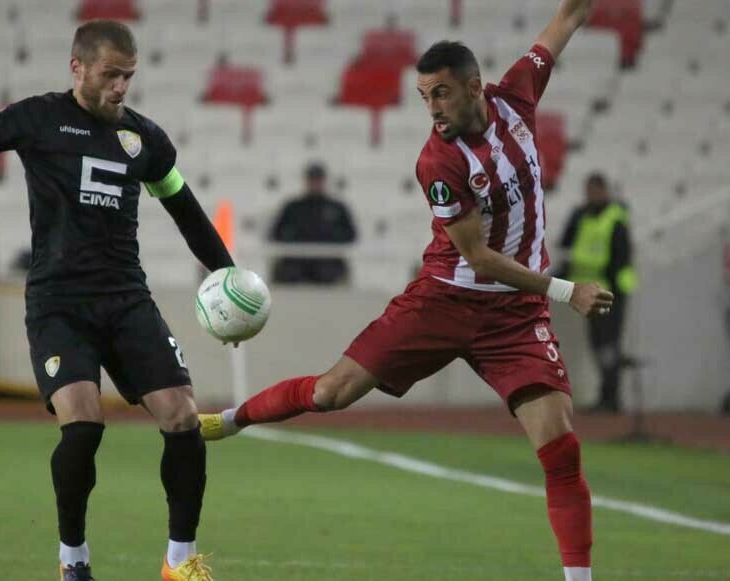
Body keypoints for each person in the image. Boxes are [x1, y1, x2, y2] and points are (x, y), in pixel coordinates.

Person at [198, 2, 612, 581]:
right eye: (423, 95)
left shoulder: (518, 96)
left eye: (440, 93)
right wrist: (568, 290)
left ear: (474, 87)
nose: (432, 108)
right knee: (331, 393)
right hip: (443, 300)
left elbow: (566, 20)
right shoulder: (438, 162)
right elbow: (477, 257)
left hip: (515, 317)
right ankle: (234, 418)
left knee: (561, 446)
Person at [0, 20, 232, 581]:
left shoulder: (145, 140)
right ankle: (73, 561)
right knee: (84, 423)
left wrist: (228, 276)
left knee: (183, 418)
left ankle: (180, 561)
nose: (121, 87)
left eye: (129, 77)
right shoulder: (37, 118)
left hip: (126, 298)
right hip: (58, 302)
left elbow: (185, 210)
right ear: (78, 68)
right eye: (110, 75)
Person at [558, 172, 635, 414]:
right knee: (599, 344)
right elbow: (565, 243)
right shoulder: (581, 215)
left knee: (607, 344)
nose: (591, 195)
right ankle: (607, 395)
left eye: (594, 190)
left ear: (604, 190)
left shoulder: (615, 217)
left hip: (610, 291)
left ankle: (611, 397)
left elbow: (620, 256)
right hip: (589, 291)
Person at [269, 161, 357, 285]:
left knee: (329, 273)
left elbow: (351, 235)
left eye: (318, 179)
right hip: (296, 261)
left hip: (327, 262)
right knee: (287, 272)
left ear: (324, 181)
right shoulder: (293, 207)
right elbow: (276, 233)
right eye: (312, 179)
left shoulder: (337, 207)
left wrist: (328, 238)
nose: (315, 183)